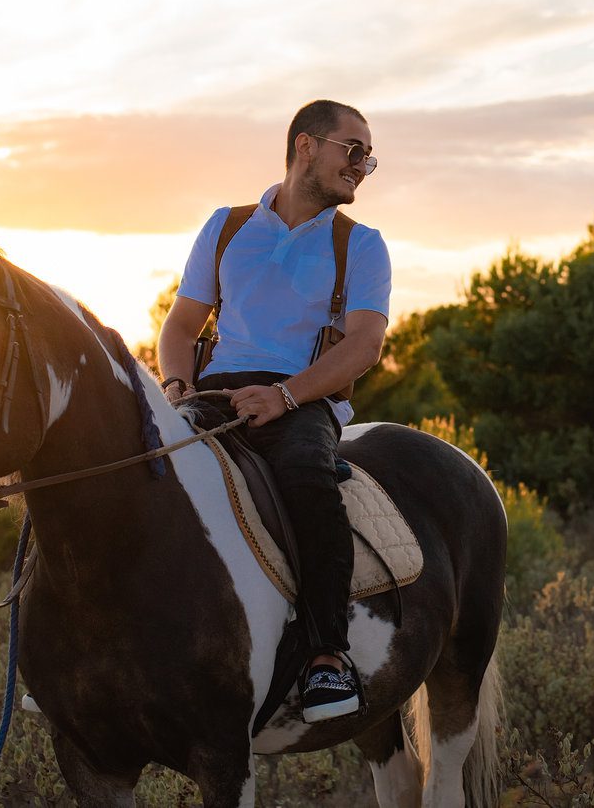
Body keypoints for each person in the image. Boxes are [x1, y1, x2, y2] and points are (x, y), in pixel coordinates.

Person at [157, 99, 391, 722]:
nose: (363, 166)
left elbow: (365, 346)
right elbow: (180, 328)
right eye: (354, 149)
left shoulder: (362, 246)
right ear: (307, 146)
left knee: (309, 482)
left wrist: (285, 396)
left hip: (303, 399)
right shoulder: (227, 226)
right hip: (210, 394)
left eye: (369, 157)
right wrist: (177, 389)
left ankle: (326, 660)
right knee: (141, 475)